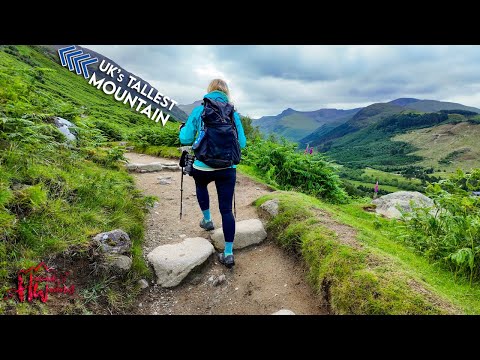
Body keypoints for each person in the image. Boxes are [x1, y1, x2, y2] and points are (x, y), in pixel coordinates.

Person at [179, 79, 247, 268]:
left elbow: (185, 137)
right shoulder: (233, 113)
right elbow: (242, 143)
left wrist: (183, 130)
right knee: (226, 210)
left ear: (209, 91)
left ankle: (207, 220)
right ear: (226, 93)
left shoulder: (199, 110)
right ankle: (228, 253)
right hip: (227, 168)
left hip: (202, 165)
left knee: (201, 186)